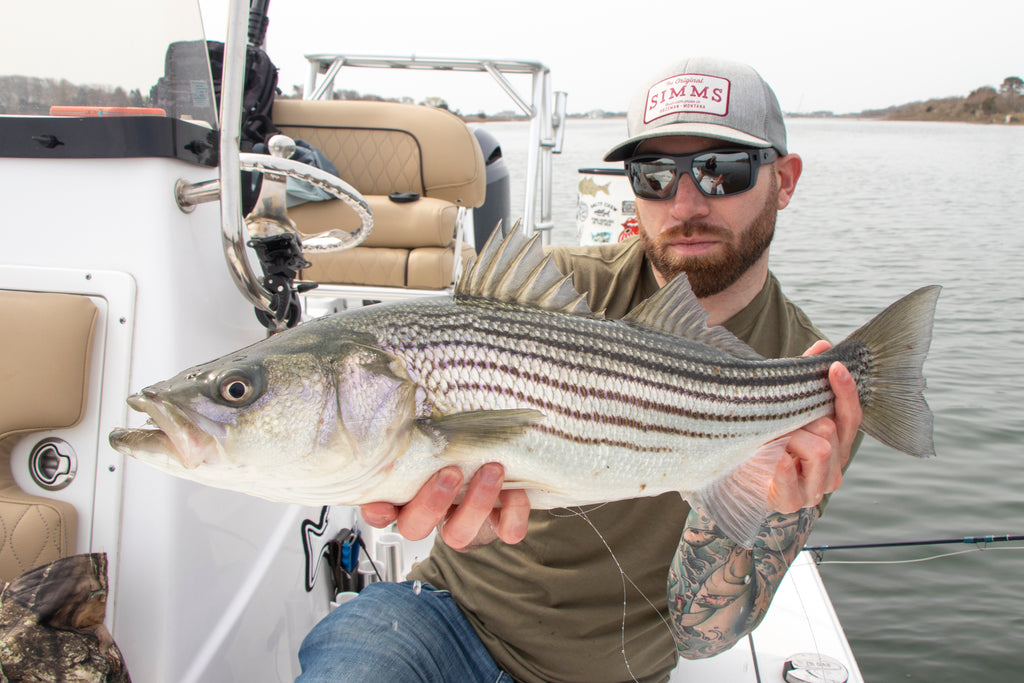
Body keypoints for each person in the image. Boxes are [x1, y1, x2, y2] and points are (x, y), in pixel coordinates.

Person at [297, 57, 863, 683]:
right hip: (443, 622)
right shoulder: (555, 290)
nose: (684, 203)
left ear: (784, 180)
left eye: (720, 170)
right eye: (653, 174)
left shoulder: (811, 381)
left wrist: (771, 509)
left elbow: (703, 638)